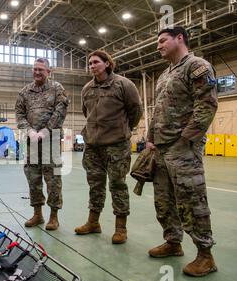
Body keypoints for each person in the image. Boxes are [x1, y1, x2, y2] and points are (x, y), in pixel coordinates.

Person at [146, 26, 218, 276]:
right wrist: (150, 138)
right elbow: (158, 110)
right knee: (164, 202)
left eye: (163, 40)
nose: (158, 46)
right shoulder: (165, 74)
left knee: (192, 201)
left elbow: (207, 105)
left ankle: (205, 255)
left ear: (180, 39)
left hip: (184, 149)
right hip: (162, 148)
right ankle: (173, 242)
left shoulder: (196, 66)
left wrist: (186, 140)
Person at [75, 50, 142, 244]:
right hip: (93, 146)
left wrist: (123, 129)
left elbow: (135, 110)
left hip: (116, 145)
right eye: (90, 63)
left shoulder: (123, 84)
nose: (92, 66)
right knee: (95, 185)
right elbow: (85, 112)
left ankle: (121, 228)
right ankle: (93, 222)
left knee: (117, 185)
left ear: (107, 64)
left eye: (95, 62)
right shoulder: (87, 88)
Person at [15, 58, 69, 231]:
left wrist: (46, 130)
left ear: (48, 71)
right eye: (35, 69)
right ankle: (37, 214)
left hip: (50, 141)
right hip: (31, 143)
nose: (37, 72)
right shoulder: (25, 91)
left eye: (41, 69)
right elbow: (19, 114)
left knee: (53, 179)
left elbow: (60, 110)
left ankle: (54, 217)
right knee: (33, 179)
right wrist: (29, 130)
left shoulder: (56, 88)